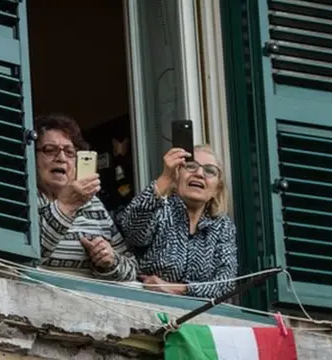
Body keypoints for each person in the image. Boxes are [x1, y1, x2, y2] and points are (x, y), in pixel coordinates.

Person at [117, 145, 238, 298]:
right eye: (190, 166)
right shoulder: (160, 208)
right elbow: (133, 231)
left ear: (217, 189)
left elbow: (226, 284)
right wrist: (165, 179)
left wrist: (178, 288)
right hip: (144, 304)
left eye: (210, 171)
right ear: (176, 178)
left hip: (196, 315)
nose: (200, 173)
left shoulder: (222, 225)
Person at [35, 113, 137, 281]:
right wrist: (65, 205)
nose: (61, 158)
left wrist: (109, 261)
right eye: (50, 150)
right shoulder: (25, 200)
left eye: (69, 152)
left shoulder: (92, 204)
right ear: (33, 156)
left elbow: (132, 269)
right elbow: (28, 256)